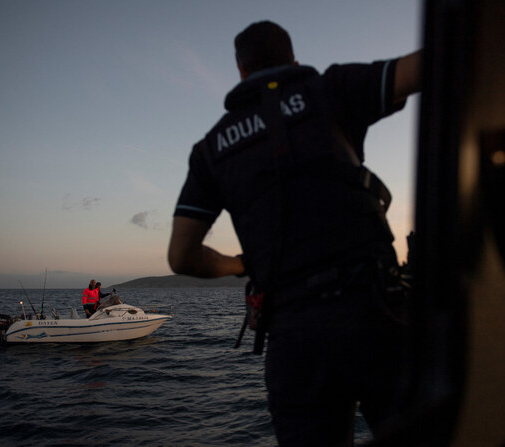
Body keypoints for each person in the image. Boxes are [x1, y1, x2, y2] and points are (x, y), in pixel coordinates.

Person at [168, 20, 421, 446]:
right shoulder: (330, 89)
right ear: (293, 59)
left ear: (241, 70)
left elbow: (181, 256)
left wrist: (242, 264)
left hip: (295, 337)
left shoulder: (211, 149)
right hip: (378, 313)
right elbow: (427, 65)